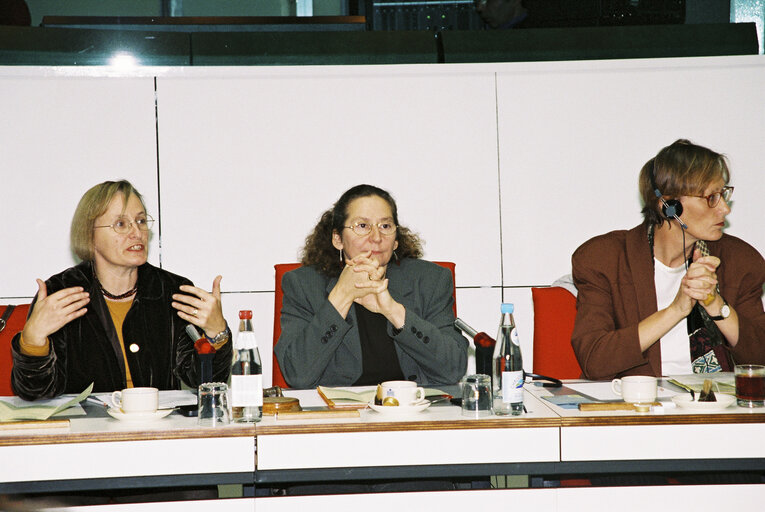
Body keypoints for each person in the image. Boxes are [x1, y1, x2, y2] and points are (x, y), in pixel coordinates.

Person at [11, 180, 232, 400]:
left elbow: (206, 383)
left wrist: (216, 333)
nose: (137, 232)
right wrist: (33, 340)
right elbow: (36, 393)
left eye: (141, 221)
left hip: (156, 429)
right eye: (121, 224)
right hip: (87, 430)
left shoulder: (172, 291)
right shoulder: (61, 293)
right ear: (90, 235)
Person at [571, 139, 765, 381]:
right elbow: (594, 360)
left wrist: (716, 304)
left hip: (714, 406)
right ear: (669, 205)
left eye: (724, 194)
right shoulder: (605, 259)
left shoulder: (741, 261)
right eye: (712, 197)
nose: (725, 208)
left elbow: (759, 360)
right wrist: (676, 310)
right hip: (638, 405)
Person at [275, 184, 467, 389]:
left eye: (385, 226)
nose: (376, 238)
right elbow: (297, 375)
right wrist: (341, 296)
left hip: (410, 413)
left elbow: (452, 370)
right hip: (341, 416)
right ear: (338, 239)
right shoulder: (303, 285)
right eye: (362, 226)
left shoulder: (430, 280)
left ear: (395, 241)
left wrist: (393, 311)